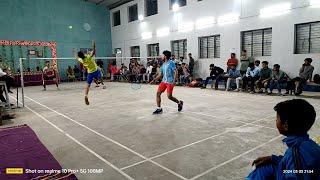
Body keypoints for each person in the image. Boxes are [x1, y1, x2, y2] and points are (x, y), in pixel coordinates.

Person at [247, 99, 320, 180]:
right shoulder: (308, 144)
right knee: (266, 167)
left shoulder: (295, 152)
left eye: (277, 118)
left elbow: (298, 170)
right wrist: (272, 159)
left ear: (285, 125)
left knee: (261, 171)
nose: (275, 120)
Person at [75, 40, 105, 105]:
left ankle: (86, 95)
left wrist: (75, 52)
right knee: (100, 77)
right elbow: (93, 52)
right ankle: (101, 83)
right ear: (83, 54)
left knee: (88, 85)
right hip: (95, 70)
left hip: (90, 73)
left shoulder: (81, 60)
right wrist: (94, 46)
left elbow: (77, 57)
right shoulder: (88, 57)